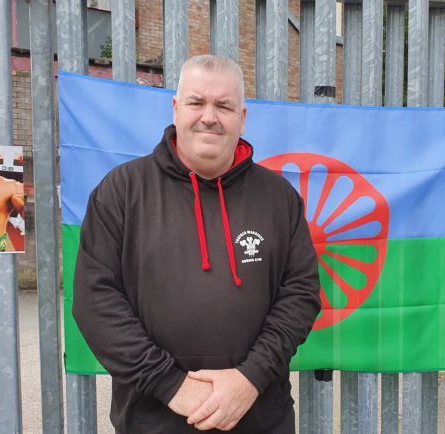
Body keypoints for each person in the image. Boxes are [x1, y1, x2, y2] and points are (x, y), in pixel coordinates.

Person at [72, 55, 321, 433]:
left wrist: (250, 378)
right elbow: (95, 302)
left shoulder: (278, 197)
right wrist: (171, 385)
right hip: (152, 419)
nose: (209, 116)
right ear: (175, 108)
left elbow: (301, 294)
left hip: (260, 417)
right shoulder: (122, 191)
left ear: (242, 117)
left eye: (224, 106)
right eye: (196, 102)